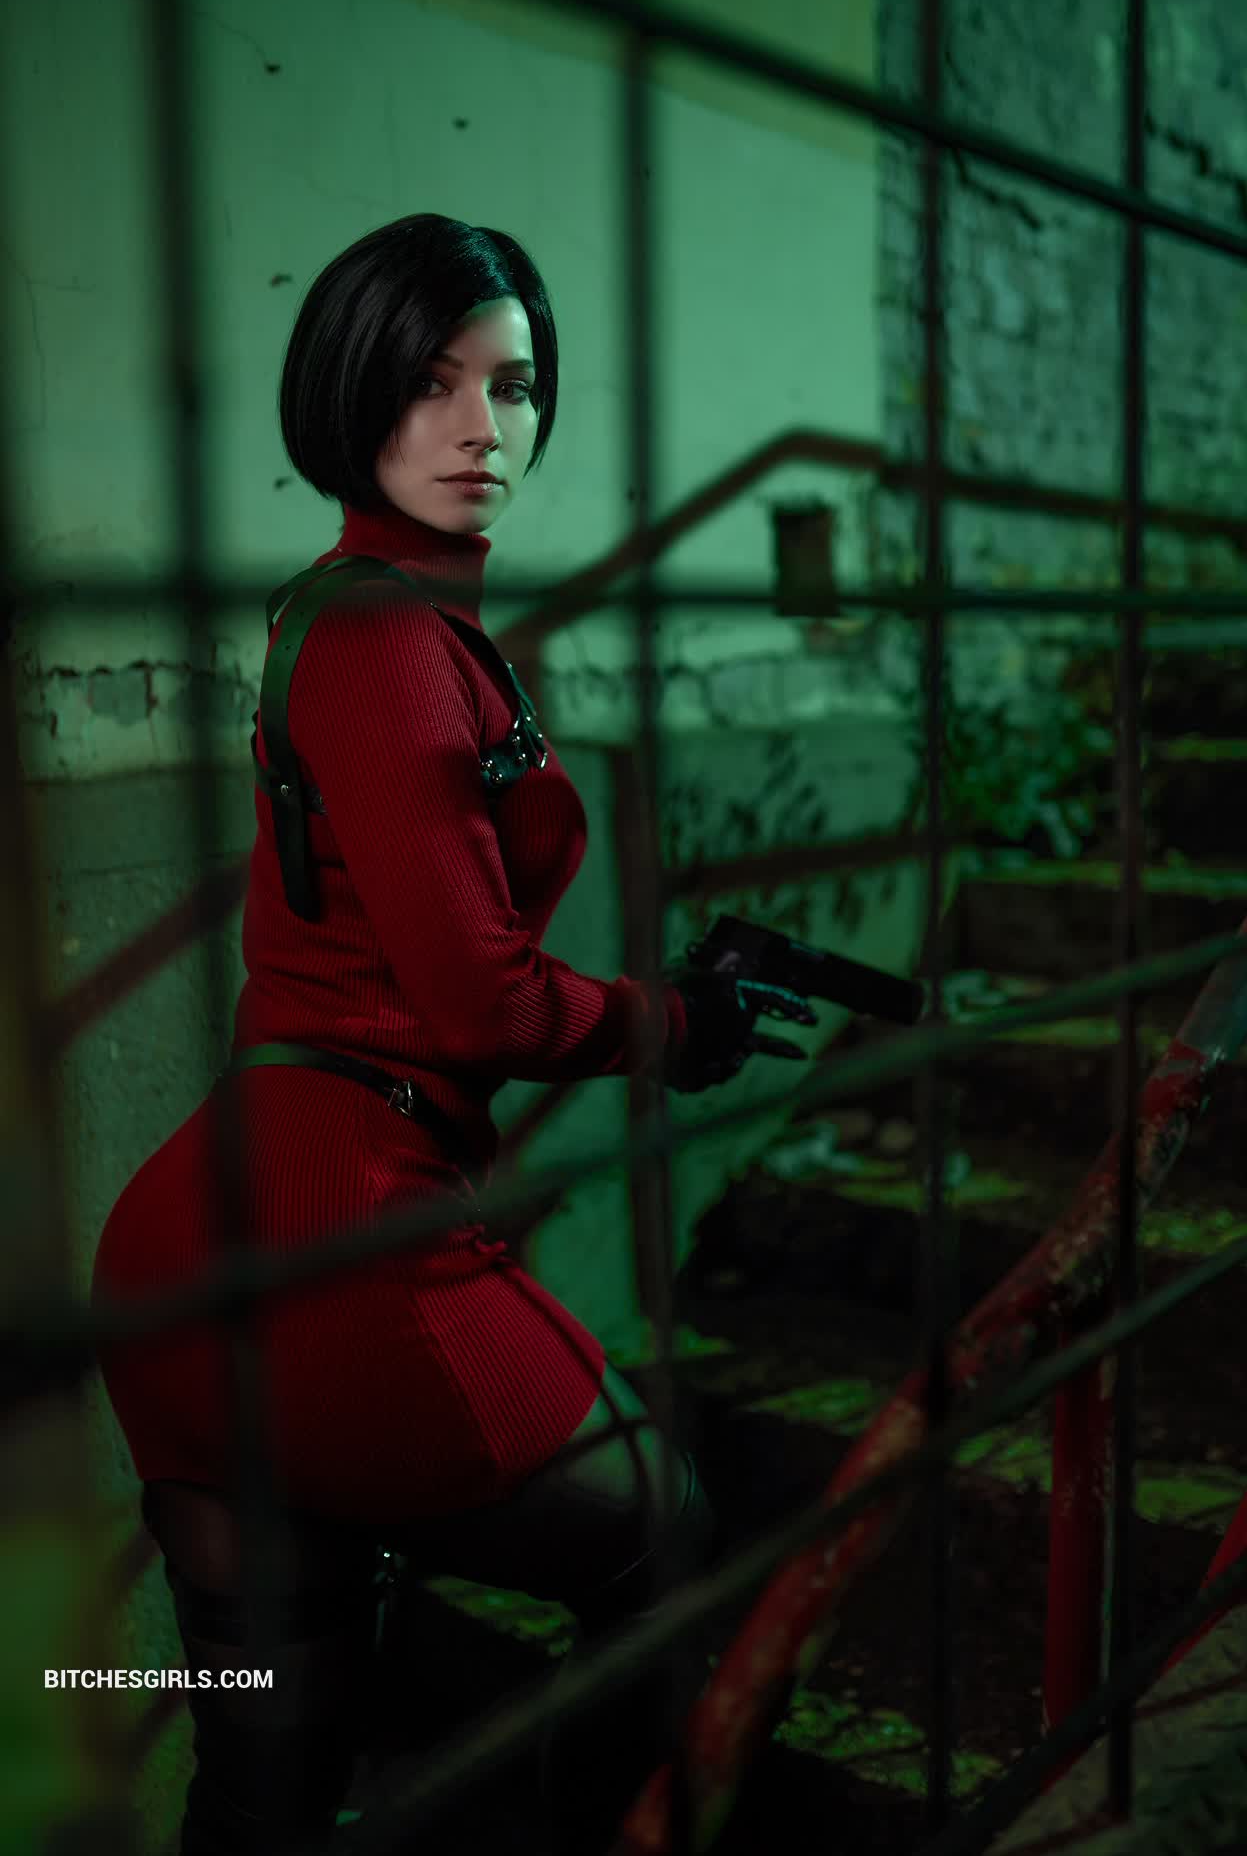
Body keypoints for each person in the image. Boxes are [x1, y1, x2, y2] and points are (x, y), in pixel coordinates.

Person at [90, 212, 816, 1854]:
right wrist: (668, 1020)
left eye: (515, 383)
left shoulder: (341, 612)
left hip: (201, 1255)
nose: (481, 425)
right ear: (348, 393)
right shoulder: (386, 641)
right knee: (667, 1538)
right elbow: (479, 994)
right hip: (338, 1241)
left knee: (268, 1769)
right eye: (429, 382)